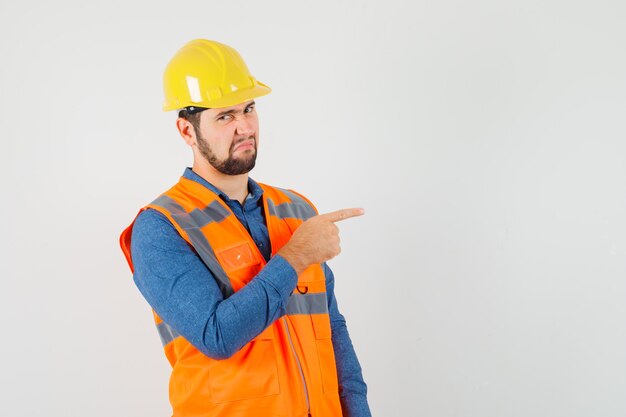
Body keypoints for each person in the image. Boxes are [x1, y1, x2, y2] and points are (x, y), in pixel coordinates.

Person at [120, 39, 371, 417]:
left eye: (249, 109)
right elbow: (217, 336)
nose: (244, 127)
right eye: (225, 116)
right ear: (187, 132)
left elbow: (332, 330)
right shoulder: (161, 227)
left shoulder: (296, 209)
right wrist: (297, 254)